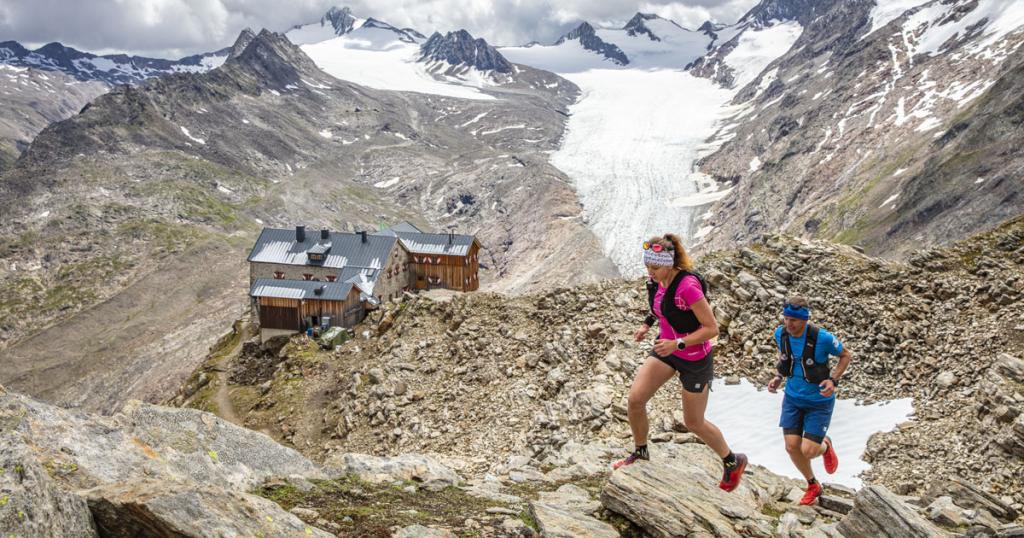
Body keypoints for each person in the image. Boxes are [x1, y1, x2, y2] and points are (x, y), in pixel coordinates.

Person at [613, 234, 748, 493]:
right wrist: (646, 325)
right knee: (635, 400)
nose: (650, 273)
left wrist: (678, 344)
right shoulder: (656, 282)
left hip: (694, 358)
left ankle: (733, 460)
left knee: (693, 422)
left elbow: (711, 329)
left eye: (655, 268)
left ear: (670, 263)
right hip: (667, 348)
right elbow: (659, 308)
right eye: (647, 267)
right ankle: (640, 452)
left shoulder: (687, 286)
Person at [768, 296, 852, 505]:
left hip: (818, 401)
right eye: (786, 318)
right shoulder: (781, 334)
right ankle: (813, 484)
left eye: (794, 320)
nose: (789, 324)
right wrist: (778, 377)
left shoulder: (822, 338)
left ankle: (825, 446)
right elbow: (786, 358)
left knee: (809, 450)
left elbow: (845, 355)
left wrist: (833, 380)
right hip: (792, 398)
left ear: (805, 319)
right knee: (791, 446)